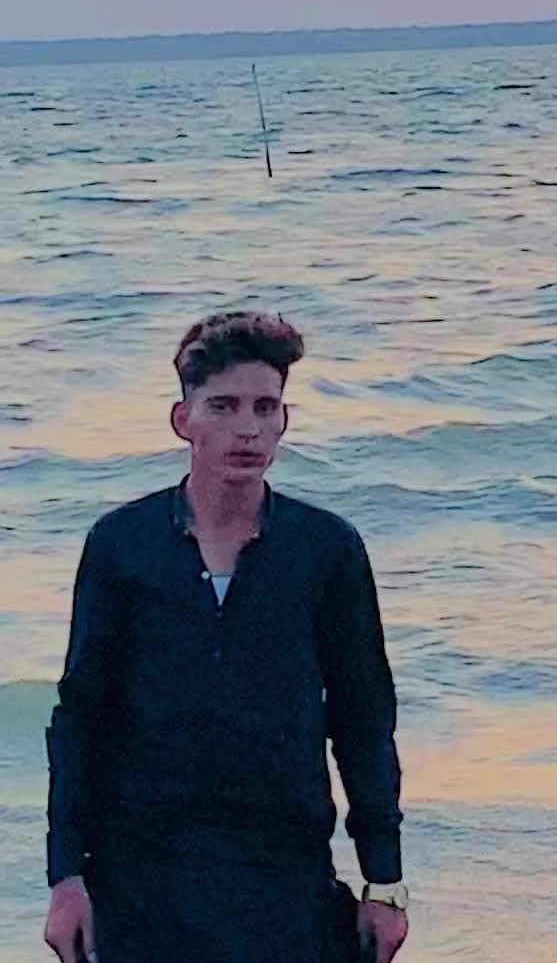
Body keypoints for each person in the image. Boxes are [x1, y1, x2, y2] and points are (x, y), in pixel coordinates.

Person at [43, 309, 409, 963]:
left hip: (285, 877)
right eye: (224, 406)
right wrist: (65, 876)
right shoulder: (121, 545)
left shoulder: (325, 549)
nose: (248, 428)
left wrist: (384, 880)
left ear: (284, 419)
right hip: (140, 878)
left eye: (265, 407)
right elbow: (80, 717)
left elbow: (363, 719)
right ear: (183, 419)